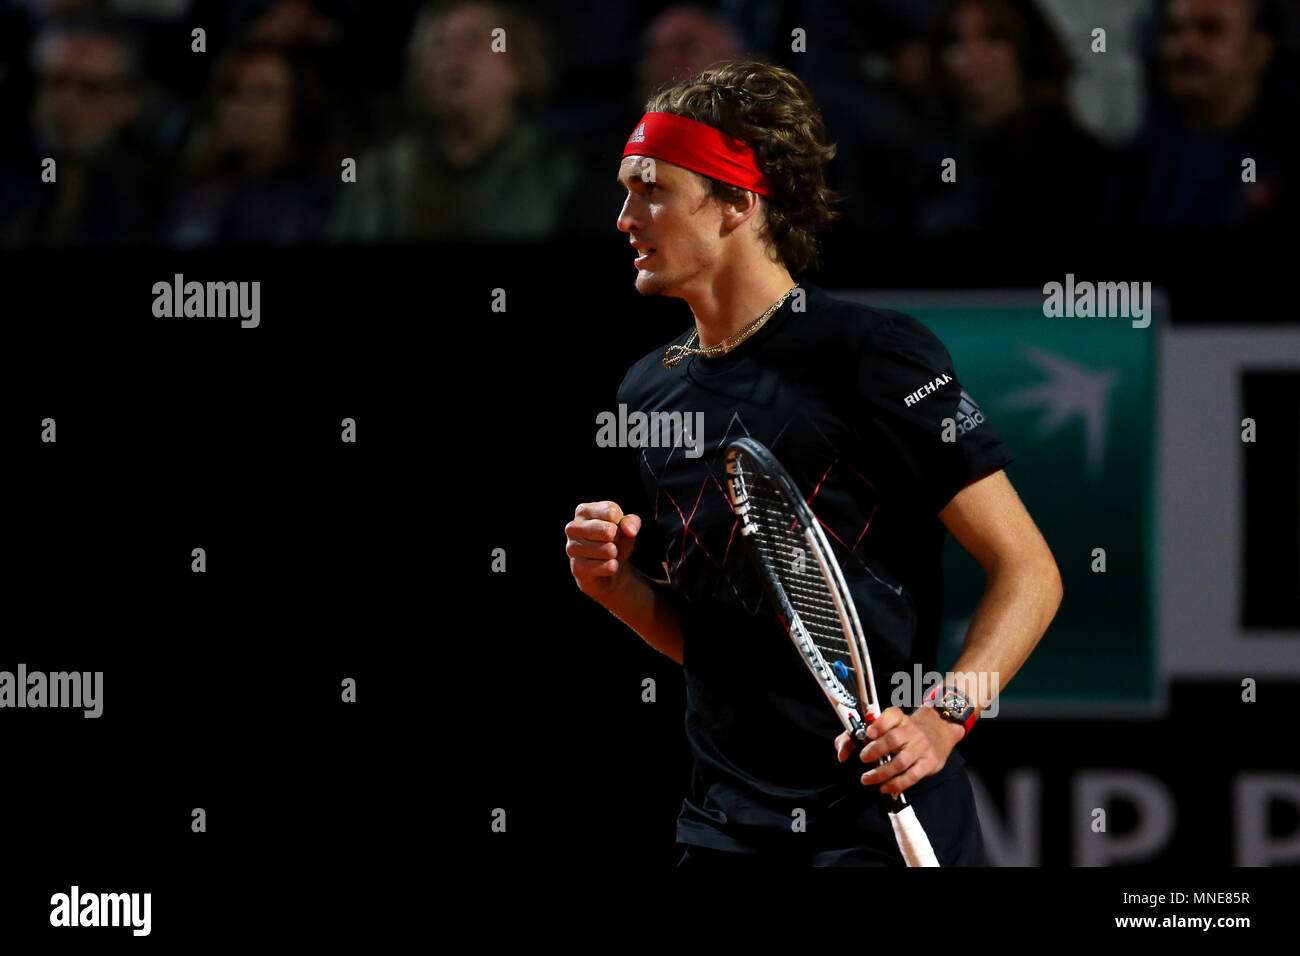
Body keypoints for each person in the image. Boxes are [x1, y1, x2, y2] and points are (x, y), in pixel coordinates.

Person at [565, 59, 1062, 866]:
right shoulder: (646, 391)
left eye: (651, 189)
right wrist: (616, 588)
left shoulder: (871, 355)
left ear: (737, 201)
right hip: (723, 827)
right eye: (626, 190)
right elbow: (716, 643)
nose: (624, 217)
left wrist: (942, 720)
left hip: (871, 824)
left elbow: (1030, 570)